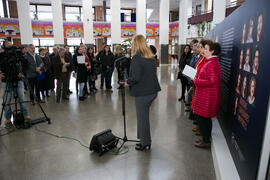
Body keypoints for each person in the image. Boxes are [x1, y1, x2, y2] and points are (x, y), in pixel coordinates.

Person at [122, 35, 161, 151]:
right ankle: (142, 139)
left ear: (135, 44)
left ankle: (145, 143)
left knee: (142, 118)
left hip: (143, 93)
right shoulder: (150, 56)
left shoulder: (136, 58)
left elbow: (136, 77)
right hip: (152, 91)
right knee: (142, 117)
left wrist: (127, 82)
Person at [192, 41, 221, 148]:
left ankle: (206, 140)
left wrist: (196, 81)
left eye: (206, 49)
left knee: (203, 118)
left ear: (212, 51)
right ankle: (206, 138)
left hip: (207, 96)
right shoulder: (210, 62)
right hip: (205, 95)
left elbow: (212, 81)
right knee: (205, 118)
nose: (203, 50)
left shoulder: (212, 63)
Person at [0, 41, 30, 128]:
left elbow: (25, 63)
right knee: (7, 101)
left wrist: (22, 72)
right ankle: (8, 119)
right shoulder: (1, 55)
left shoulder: (17, 54)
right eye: (8, 45)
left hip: (18, 79)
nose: (10, 46)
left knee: (22, 98)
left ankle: (26, 116)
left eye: (11, 44)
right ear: (4, 46)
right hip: (6, 80)